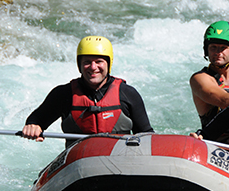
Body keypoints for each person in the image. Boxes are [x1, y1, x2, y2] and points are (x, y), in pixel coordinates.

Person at [22, 36, 154, 147]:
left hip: (120, 159)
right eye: (87, 62)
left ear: (108, 64)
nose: (93, 67)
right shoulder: (63, 94)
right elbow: (37, 119)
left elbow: (146, 135)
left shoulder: (127, 94)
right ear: (79, 65)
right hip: (80, 162)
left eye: (99, 62)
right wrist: (33, 126)